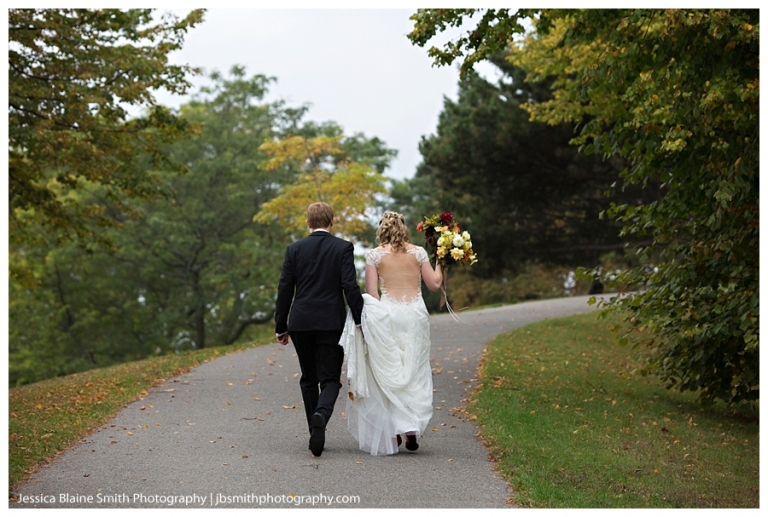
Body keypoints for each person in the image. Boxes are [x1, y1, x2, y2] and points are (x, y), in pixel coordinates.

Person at [342, 211, 443, 455]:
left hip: (389, 316)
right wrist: (442, 262)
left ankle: (397, 429)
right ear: (404, 228)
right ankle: (411, 429)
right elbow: (435, 284)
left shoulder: (375, 256)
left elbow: (372, 295)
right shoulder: (418, 252)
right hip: (415, 315)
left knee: (390, 369)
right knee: (415, 369)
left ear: (382, 230)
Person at [274, 202, 364, 457]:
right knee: (330, 379)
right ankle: (321, 416)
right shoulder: (343, 248)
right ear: (332, 221)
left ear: (308, 222)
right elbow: (349, 285)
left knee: (308, 378)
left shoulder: (294, 249)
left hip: (300, 323)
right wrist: (360, 320)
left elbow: (284, 289)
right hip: (330, 323)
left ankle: (315, 431)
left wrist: (281, 326)